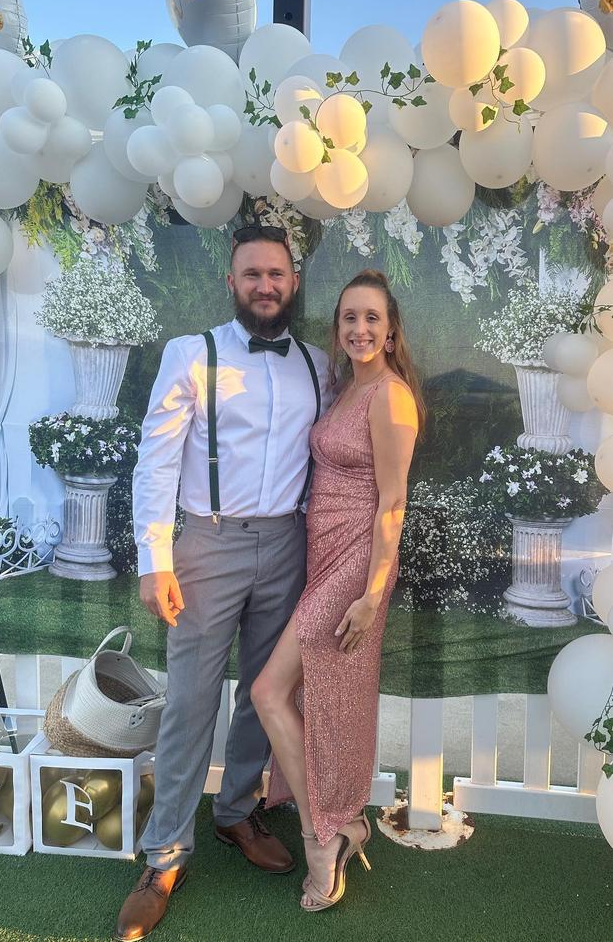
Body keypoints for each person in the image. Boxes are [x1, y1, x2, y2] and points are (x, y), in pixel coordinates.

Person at [114, 225, 333, 942]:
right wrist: (156, 559)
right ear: (232, 282)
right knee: (190, 699)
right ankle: (165, 852)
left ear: (292, 283)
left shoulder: (317, 364)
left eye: (276, 273)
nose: (264, 285)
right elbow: (155, 462)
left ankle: (237, 810)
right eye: (251, 274)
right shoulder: (192, 354)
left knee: (263, 697)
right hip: (207, 541)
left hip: (288, 540)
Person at [251, 269, 424, 912]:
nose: (359, 329)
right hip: (320, 559)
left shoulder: (391, 397)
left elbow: (392, 503)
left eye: (371, 318)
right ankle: (343, 823)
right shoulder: (345, 388)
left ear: (391, 327)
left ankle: (320, 838)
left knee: (270, 691)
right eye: (349, 318)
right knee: (320, 700)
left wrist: (373, 592)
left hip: (356, 569)